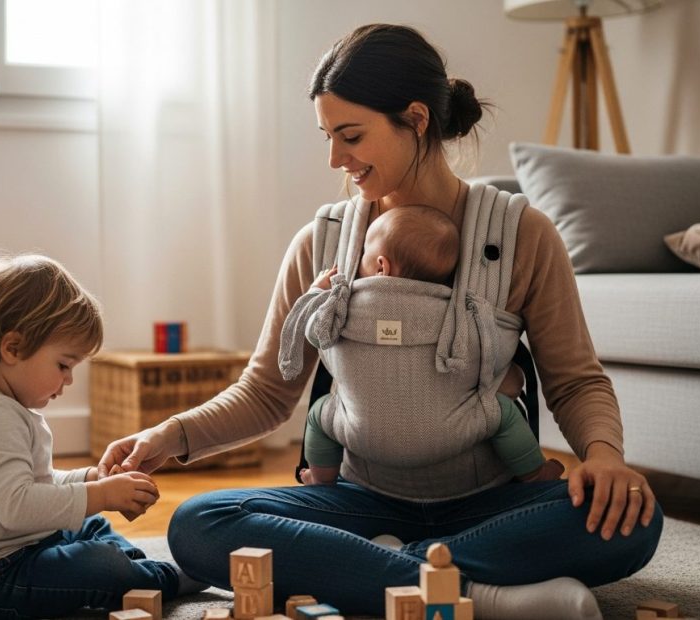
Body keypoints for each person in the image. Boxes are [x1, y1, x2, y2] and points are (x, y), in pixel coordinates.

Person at [98, 24, 662, 620]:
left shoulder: (523, 234)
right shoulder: (321, 242)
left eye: (351, 135)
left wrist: (604, 455)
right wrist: (169, 435)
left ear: (416, 119)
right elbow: (267, 392)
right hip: (358, 500)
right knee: (198, 523)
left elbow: (575, 379)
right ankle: (483, 596)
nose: (336, 159)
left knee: (636, 518)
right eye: (327, 136)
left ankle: (367, 566)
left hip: (489, 502)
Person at [0, 253, 204, 619]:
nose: (68, 380)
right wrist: (100, 494)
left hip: (22, 547)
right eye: (63, 365)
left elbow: (37, 484)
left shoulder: (5, 406)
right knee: (97, 563)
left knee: (91, 524)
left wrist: (88, 479)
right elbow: (17, 507)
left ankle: (132, 573)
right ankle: (152, 579)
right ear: (13, 348)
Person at [285, 205, 564, 486]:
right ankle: (534, 473)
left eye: (363, 258)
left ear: (381, 265)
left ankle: (321, 480)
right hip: (450, 437)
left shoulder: (347, 306)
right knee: (502, 413)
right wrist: (508, 380)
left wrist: (317, 292)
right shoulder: (457, 313)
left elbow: (314, 332)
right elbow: (484, 354)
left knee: (320, 414)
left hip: (360, 435)